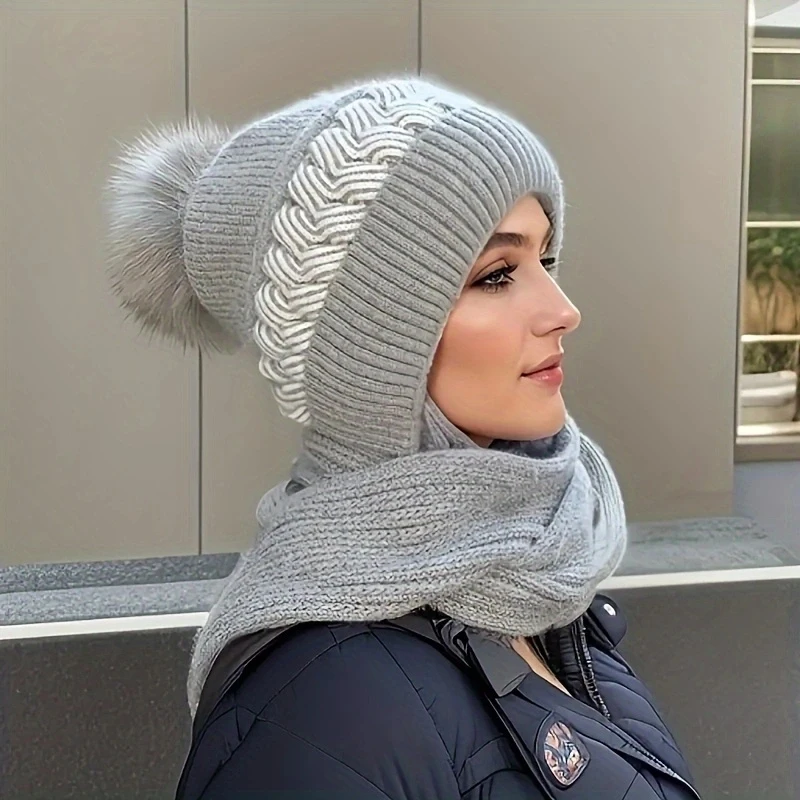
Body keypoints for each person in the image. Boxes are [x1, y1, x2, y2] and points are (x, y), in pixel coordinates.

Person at [106, 77, 701, 799]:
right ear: (371, 349)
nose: (563, 309)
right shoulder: (324, 707)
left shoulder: (537, 572)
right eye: (496, 275)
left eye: (545, 261)